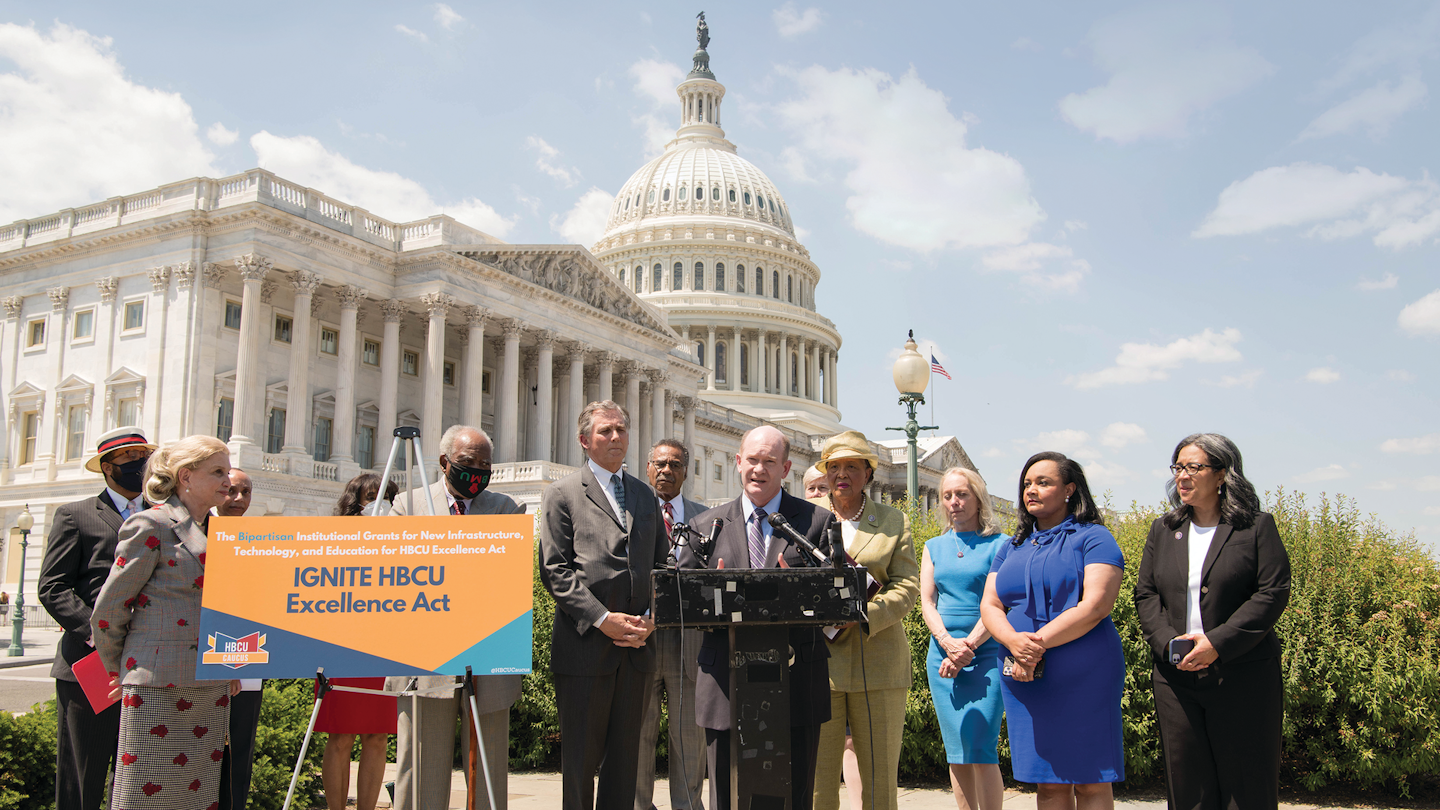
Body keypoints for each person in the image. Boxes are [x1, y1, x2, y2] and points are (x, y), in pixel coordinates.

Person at [680, 425, 835, 810]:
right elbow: (677, 601)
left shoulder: (816, 522)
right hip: (725, 688)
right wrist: (709, 596)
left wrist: (797, 593)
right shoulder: (704, 526)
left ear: (786, 469)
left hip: (796, 684)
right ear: (737, 462)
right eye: (752, 459)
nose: (758, 469)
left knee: (795, 798)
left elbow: (837, 599)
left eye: (769, 461)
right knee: (725, 798)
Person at [1135, 434, 1291, 810]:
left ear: (1221, 474)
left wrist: (1217, 643)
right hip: (1176, 678)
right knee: (1188, 788)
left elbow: (1272, 592)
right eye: (1178, 468)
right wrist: (1167, 644)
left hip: (1242, 675)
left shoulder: (1255, 527)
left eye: (1194, 467)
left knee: (1246, 786)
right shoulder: (1163, 529)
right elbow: (1147, 593)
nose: (1182, 477)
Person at [91, 435, 240, 810]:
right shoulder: (151, 524)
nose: (228, 480)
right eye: (217, 471)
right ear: (186, 477)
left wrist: (234, 665)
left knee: (196, 796)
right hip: (156, 685)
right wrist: (120, 670)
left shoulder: (221, 532)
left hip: (211, 686)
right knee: (144, 796)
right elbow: (109, 611)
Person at [388, 426, 525, 810]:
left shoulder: (505, 509)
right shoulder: (407, 506)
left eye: (486, 465)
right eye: (469, 464)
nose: (478, 471)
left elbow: (507, 581)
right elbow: (394, 574)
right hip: (424, 655)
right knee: (420, 771)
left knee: (488, 773)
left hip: (488, 655)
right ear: (445, 462)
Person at [539, 401, 667, 810]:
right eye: (605, 431)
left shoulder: (645, 496)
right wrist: (602, 619)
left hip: (637, 649)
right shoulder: (561, 494)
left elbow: (662, 566)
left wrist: (651, 620)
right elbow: (555, 570)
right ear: (584, 441)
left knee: (625, 763)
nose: (615, 437)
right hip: (584, 649)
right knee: (579, 762)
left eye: (621, 430)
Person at [980, 452, 1125, 810]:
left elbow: (1096, 606)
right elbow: (990, 605)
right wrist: (1014, 642)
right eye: (1027, 483)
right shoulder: (1011, 546)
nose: (1031, 490)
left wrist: (1033, 645)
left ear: (1069, 490)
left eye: (1043, 482)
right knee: (1047, 785)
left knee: (1091, 781)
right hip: (1024, 673)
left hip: (1083, 673)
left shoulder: (1095, 538)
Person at [37, 427, 155, 810]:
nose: (140, 464)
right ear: (108, 468)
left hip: (147, 663)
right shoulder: (76, 515)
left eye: (144, 455)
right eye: (130, 457)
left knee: (135, 771)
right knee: (84, 769)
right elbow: (53, 587)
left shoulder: (163, 517)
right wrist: (101, 633)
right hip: (89, 663)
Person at [807, 430, 919, 810]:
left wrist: (862, 614)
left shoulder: (892, 520)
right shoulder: (807, 520)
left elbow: (906, 585)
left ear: (868, 473)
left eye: (852, 467)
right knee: (817, 782)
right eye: (834, 467)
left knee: (879, 782)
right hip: (818, 665)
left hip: (879, 662)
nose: (842, 475)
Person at [920, 468, 1007, 810]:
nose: (954, 502)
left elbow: (1000, 603)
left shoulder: (1000, 545)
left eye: (962, 494)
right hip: (942, 655)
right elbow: (927, 601)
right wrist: (947, 642)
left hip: (985, 654)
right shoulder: (934, 546)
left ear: (977, 497)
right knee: (957, 749)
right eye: (947, 495)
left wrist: (967, 646)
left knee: (982, 747)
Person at [315, 473, 401, 810]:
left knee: (377, 737)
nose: (380, 503)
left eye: (388, 496)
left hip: (385, 645)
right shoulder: (336, 539)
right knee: (340, 737)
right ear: (356, 501)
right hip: (345, 644)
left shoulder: (404, 540)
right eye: (371, 496)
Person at [636, 439, 708, 810]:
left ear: (686, 470)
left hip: (688, 645)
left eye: (675, 464)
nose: (666, 470)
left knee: (690, 744)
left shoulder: (706, 518)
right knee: (637, 739)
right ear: (648, 468)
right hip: (640, 643)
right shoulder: (630, 513)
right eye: (660, 463)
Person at [215, 468, 265, 810]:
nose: (238, 499)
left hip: (248, 664)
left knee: (239, 753)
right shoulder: (198, 534)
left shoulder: (260, 539)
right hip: (208, 663)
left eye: (245, 492)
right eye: (231, 490)